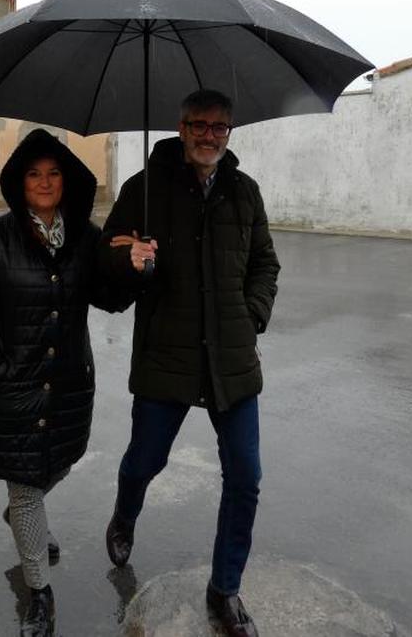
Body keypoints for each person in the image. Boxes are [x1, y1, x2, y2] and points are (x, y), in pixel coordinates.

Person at [99, 89, 281, 637]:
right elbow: (107, 267)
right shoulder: (145, 191)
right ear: (180, 128)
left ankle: (225, 588)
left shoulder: (244, 193)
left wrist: (250, 315)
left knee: (246, 476)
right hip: (167, 354)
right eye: (198, 125)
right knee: (144, 462)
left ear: (229, 133)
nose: (208, 135)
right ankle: (125, 513)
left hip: (230, 356)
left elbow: (265, 265)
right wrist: (132, 263)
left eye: (218, 127)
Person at [0, 128, 127, 637]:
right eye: (33, 174)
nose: (45, 182)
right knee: (27, 485)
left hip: (68, 385)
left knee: (58, 462)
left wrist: (133, 267)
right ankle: (40, 593)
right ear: (17, 182)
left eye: (53, 173)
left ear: (65, 181)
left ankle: (21, 515)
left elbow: (109, 297)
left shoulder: (84, 238)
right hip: (14, 389)